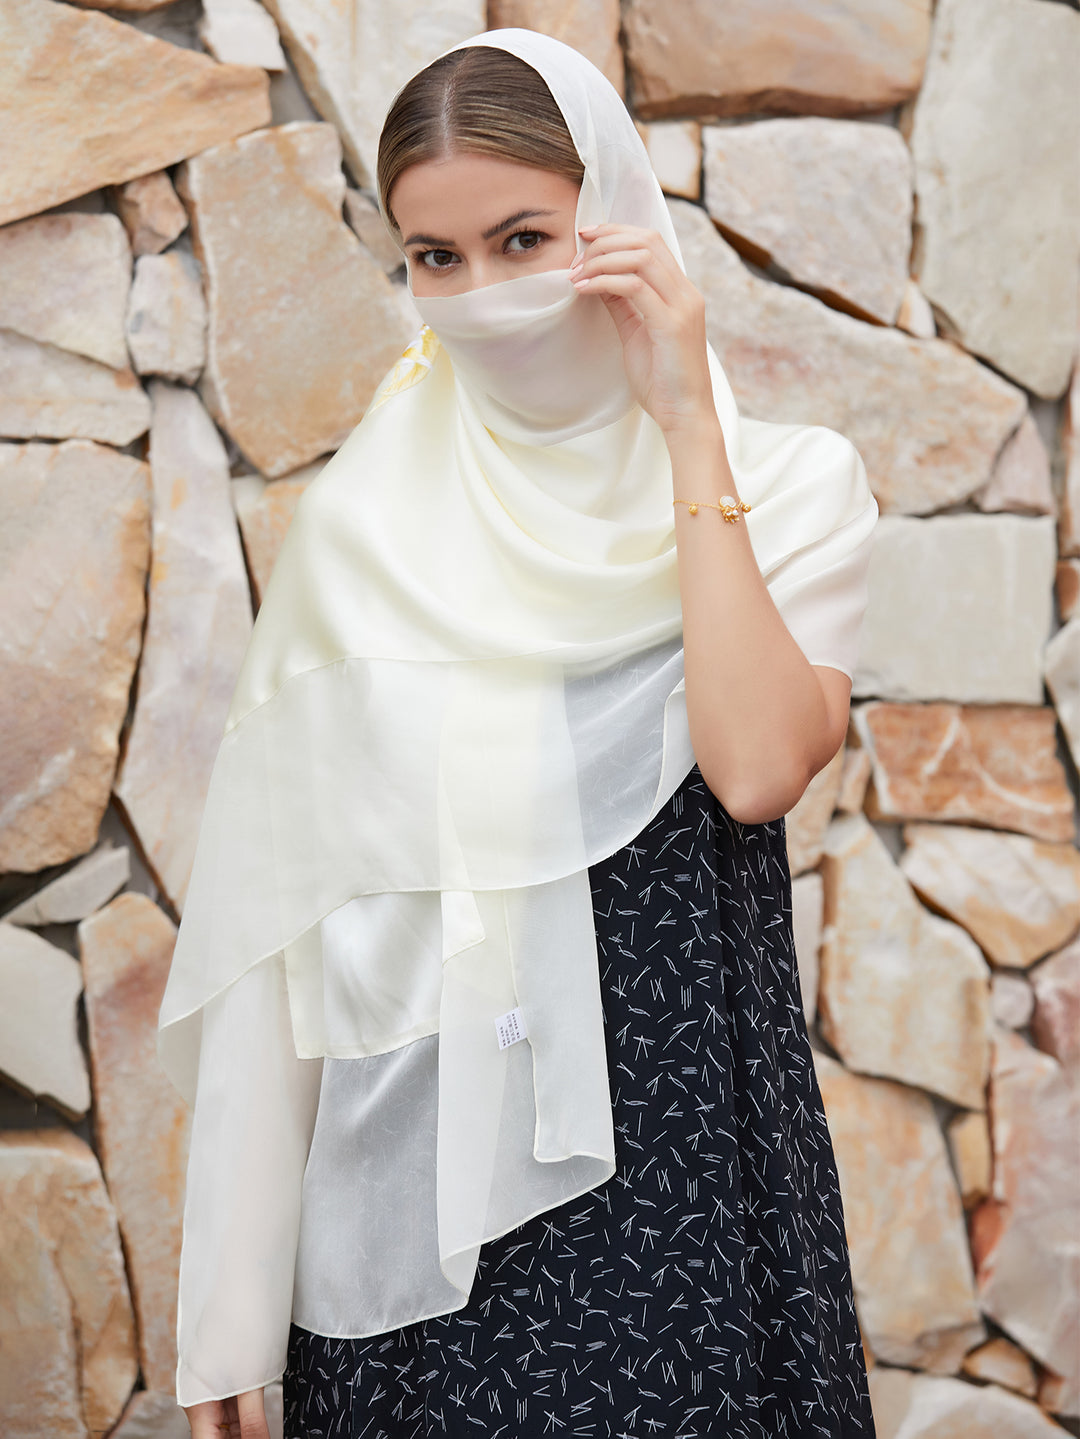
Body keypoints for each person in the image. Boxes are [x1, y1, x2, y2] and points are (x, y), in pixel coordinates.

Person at [165, 28, 879, 1439]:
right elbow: (286, 956)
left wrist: (686, 427)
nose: (485, 296)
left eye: (525, 241)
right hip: (420, 1240)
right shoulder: (368, 537)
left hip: (695, 1198)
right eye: (438, 258)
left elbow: (754, 769)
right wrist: (226, 1318)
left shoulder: (791, 488)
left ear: (613, 220)